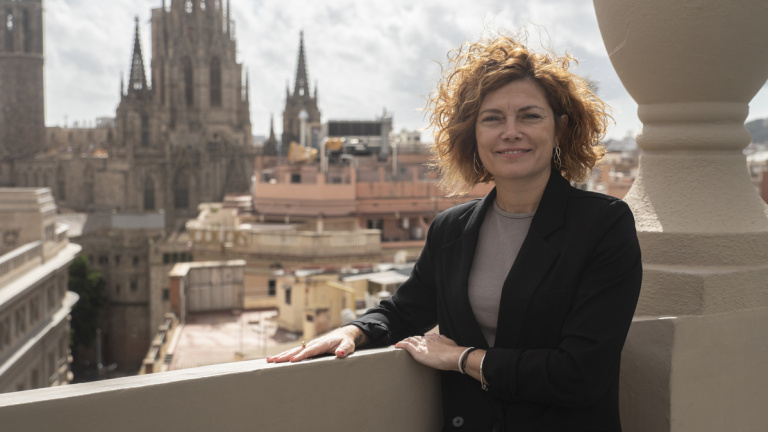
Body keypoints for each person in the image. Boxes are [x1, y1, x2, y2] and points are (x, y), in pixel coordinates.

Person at [267, 33, 642, 431]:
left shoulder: (603, 224)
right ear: (472, 134)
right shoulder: (452, 229)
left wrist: (461, 358)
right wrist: (353, 330)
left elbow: (582, 373)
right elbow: (405, 310)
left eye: (530, 116)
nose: (510, 132)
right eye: (492, 118)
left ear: (561, 129)